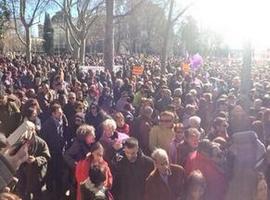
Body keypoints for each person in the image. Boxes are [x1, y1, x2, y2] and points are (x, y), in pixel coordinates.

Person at [15, 126, 51, 200]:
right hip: (23, 175)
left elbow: (46, 157)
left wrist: (35, 160)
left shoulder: (41, 143)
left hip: (36, 175)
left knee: (37, 195)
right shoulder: (21, 141)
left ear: (33, 131)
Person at [40, 103, 66, 199]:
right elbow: (44, 140)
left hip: (60, 152)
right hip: (51, 153)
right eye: (59, 112)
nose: (61, 114)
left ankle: (59, 193)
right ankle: (50, 191)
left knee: (59, 173)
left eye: (61, 112)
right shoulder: (47, 125)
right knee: (50, 173)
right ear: (53, 114)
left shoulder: (63, 121)